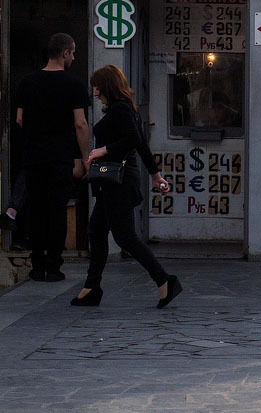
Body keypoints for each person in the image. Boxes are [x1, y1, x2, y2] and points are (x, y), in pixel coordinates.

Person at [72, 65, 182, 308]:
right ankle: (91, 287)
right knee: (96, 231)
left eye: (97, 87)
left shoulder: (121, 109)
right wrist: (155, 174)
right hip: (113, 182)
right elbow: (141, 143)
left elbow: (134, 140)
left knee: (125, 237)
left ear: (107, 86)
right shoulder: (124, 108)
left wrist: (103, 149)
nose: (95, 92)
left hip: (118, 183)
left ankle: (164, 281)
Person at [3, 33, 90, 282]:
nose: (74, 57)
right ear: (65, 53)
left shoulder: (27, 82)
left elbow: (19, 119)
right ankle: (53, 266)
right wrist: (84, 157)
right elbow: (80, 123)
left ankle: (37, 265)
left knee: (36, 210)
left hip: (33, 156)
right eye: (73, 52)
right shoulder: (74, 85)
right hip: (60, 157)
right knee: (57, 211)